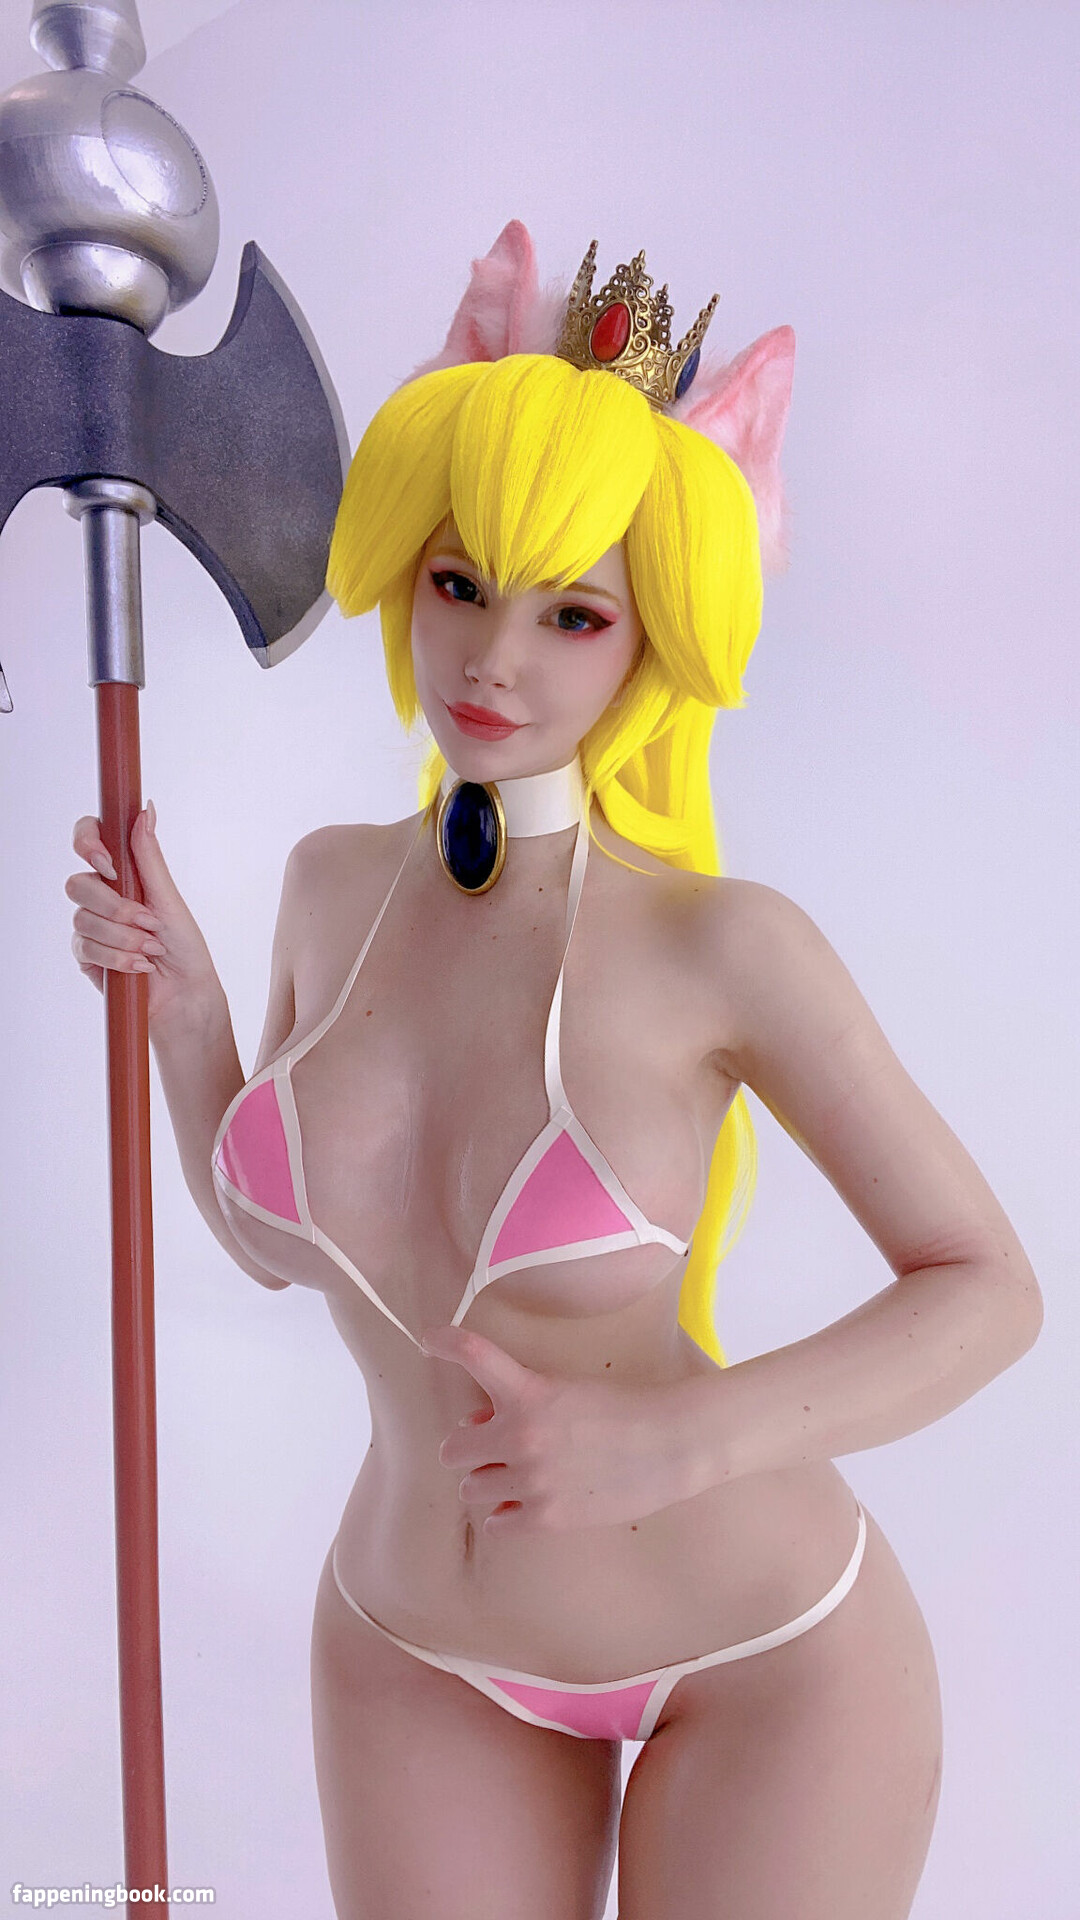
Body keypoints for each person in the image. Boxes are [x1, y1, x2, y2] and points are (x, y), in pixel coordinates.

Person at [66, 222, 1042, 1920]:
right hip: (407, 1647)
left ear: (647, 641)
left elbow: (990, 1291)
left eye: (571, 614)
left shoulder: (722, 946)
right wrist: (185, 1006)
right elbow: (278, 1247)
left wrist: (676, 1446)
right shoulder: (327, 886)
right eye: (460, 586)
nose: (494, 663)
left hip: (759, 1654)